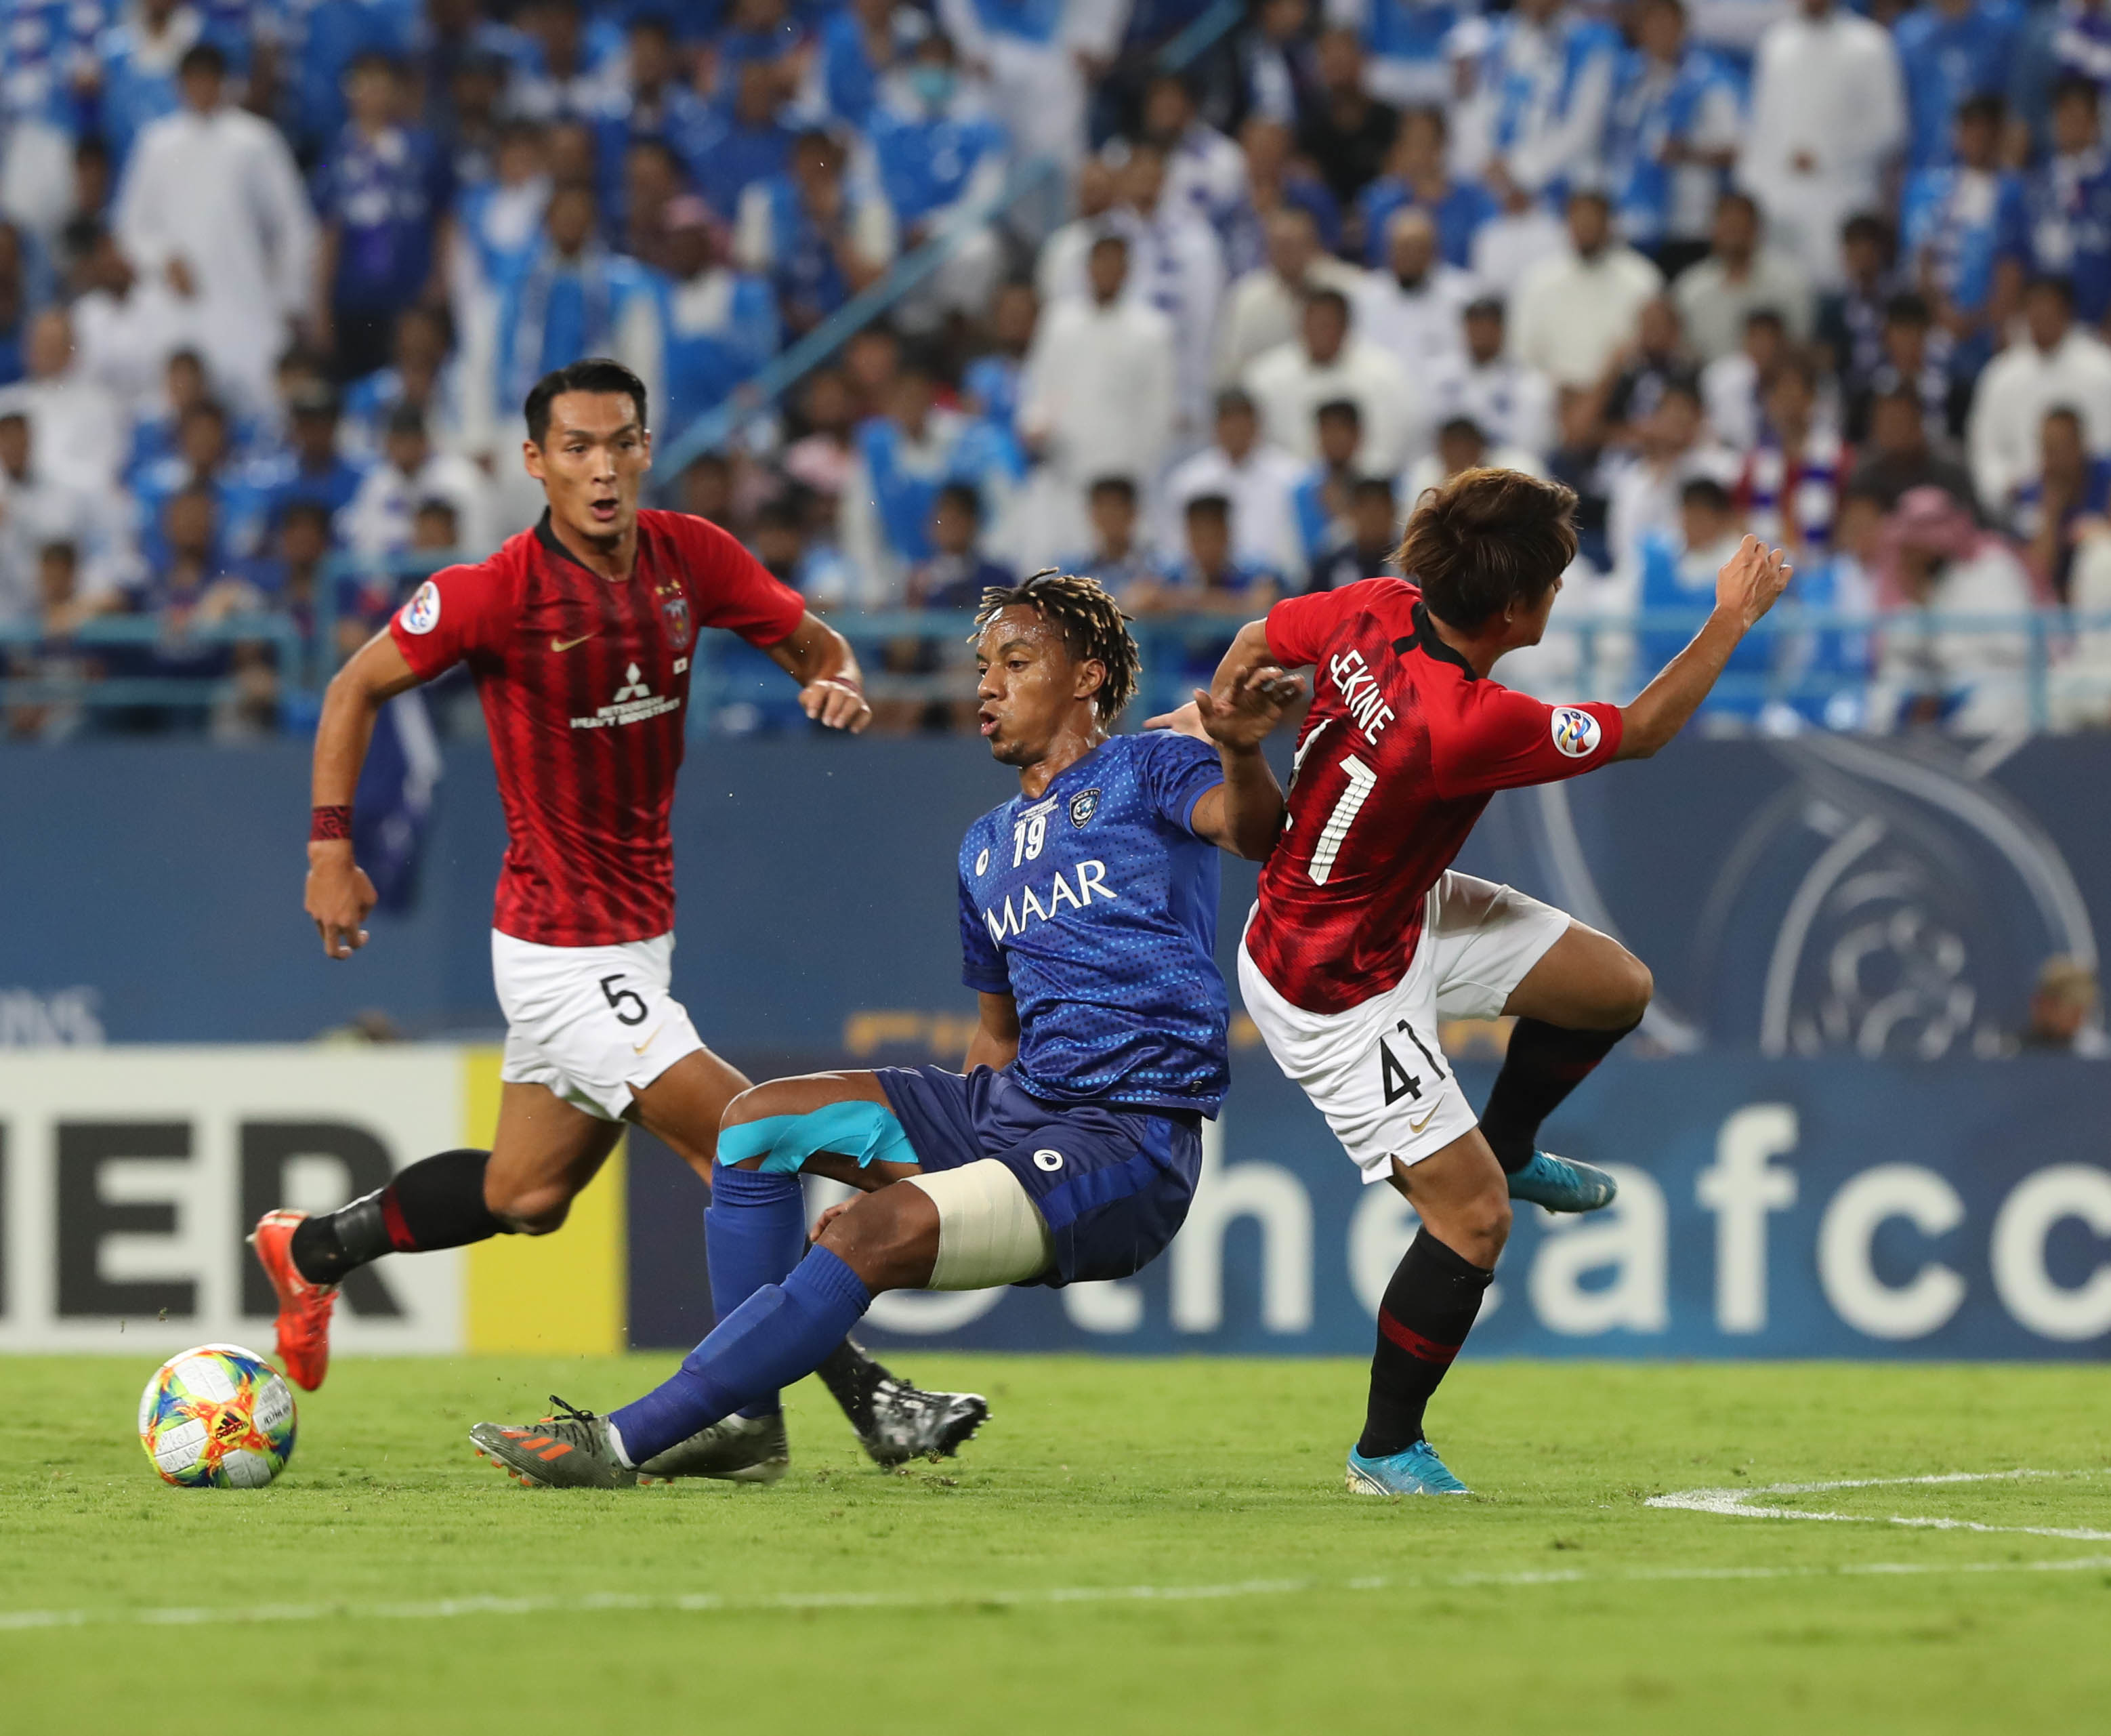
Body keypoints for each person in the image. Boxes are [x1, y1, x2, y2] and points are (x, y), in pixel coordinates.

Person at [249, 358, 988, 1473]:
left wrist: (833, 675)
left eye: (621, 444)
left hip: (633, 941)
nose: (603, 469)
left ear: (646, 448)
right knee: (754, 1130)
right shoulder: (495, 590)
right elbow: (354, 684)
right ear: (535, 462)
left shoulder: (694, 558)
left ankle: (311, 1247)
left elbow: (812, 641)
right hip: (556, 948)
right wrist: (328, 844)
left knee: (526, 1192)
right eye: (578, 448)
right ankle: (849, 1399)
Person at [465, 571, 1302, 1485]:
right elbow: (997, 1034)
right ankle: (746, 1418)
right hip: (1015, 1105)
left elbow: (1251, 829)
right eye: (982, 665)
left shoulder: (1151, 767)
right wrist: (968, 1163)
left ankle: (621, 1442)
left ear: (1088, 675)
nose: (986, 684)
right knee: (753, 1120)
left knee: (858, 1236)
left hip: (1125, 1141)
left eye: (1016, 662)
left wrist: (1243, 753)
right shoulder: (983, 846)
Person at [1191, 466, 1791, 1495]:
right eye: (1555, 581)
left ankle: (1507, 1142)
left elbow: (1258, 639)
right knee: (1471, 1220)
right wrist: (1729, 619)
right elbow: (1641, 732)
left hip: (1385, 903)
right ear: (1516, 607)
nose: (1559, 594)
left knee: (1612, 988)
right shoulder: (1466, 721)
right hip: (1330, 982)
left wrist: (1226, 709)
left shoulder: (1374, 608)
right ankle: (1384, 1450)